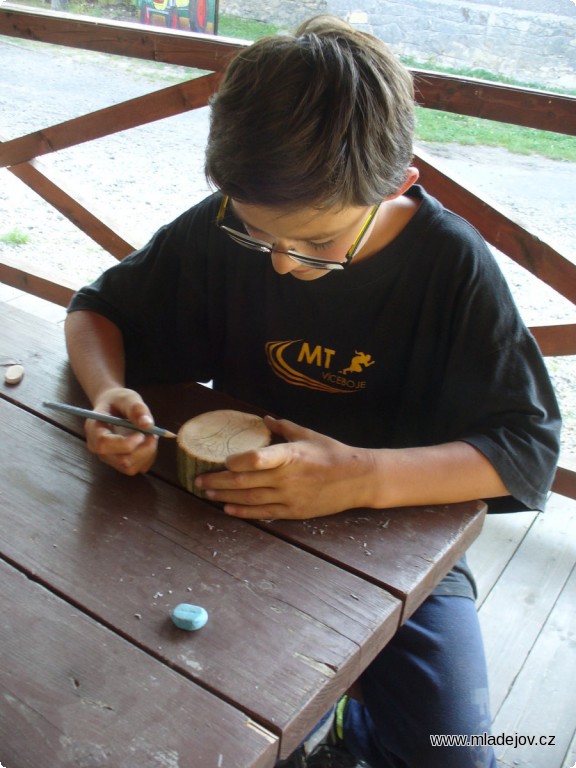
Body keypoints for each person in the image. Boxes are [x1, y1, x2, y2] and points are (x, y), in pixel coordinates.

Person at [64, 15, 561, 768]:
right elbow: (98, 308)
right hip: (226, 515)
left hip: (398, 538)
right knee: (172, 717)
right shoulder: (226, 220)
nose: (283, 266)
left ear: (401, 184)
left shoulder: (451, 265)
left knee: (455, 753)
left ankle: (352, 733)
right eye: (257, 238)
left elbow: (525, 449)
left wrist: (361, 475)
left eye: (321, 245)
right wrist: (107, 394)